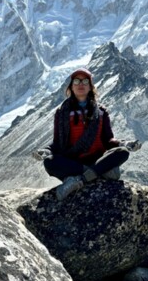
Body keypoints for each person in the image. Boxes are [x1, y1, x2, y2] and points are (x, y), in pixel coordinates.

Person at [33, 68, 142, 200]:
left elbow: (108, 140)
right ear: (71, 87)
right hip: (74, 162)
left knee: (123, 152)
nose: (81, 84)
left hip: (97, 159)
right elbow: (57, 143)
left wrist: (124, 143)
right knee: (49, 163)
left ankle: (78, 180)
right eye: (77, 81)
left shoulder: (101, 112)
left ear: (90, 86)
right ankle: (100, 172)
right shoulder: (61, 113)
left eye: (85, 81)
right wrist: (46, 151)